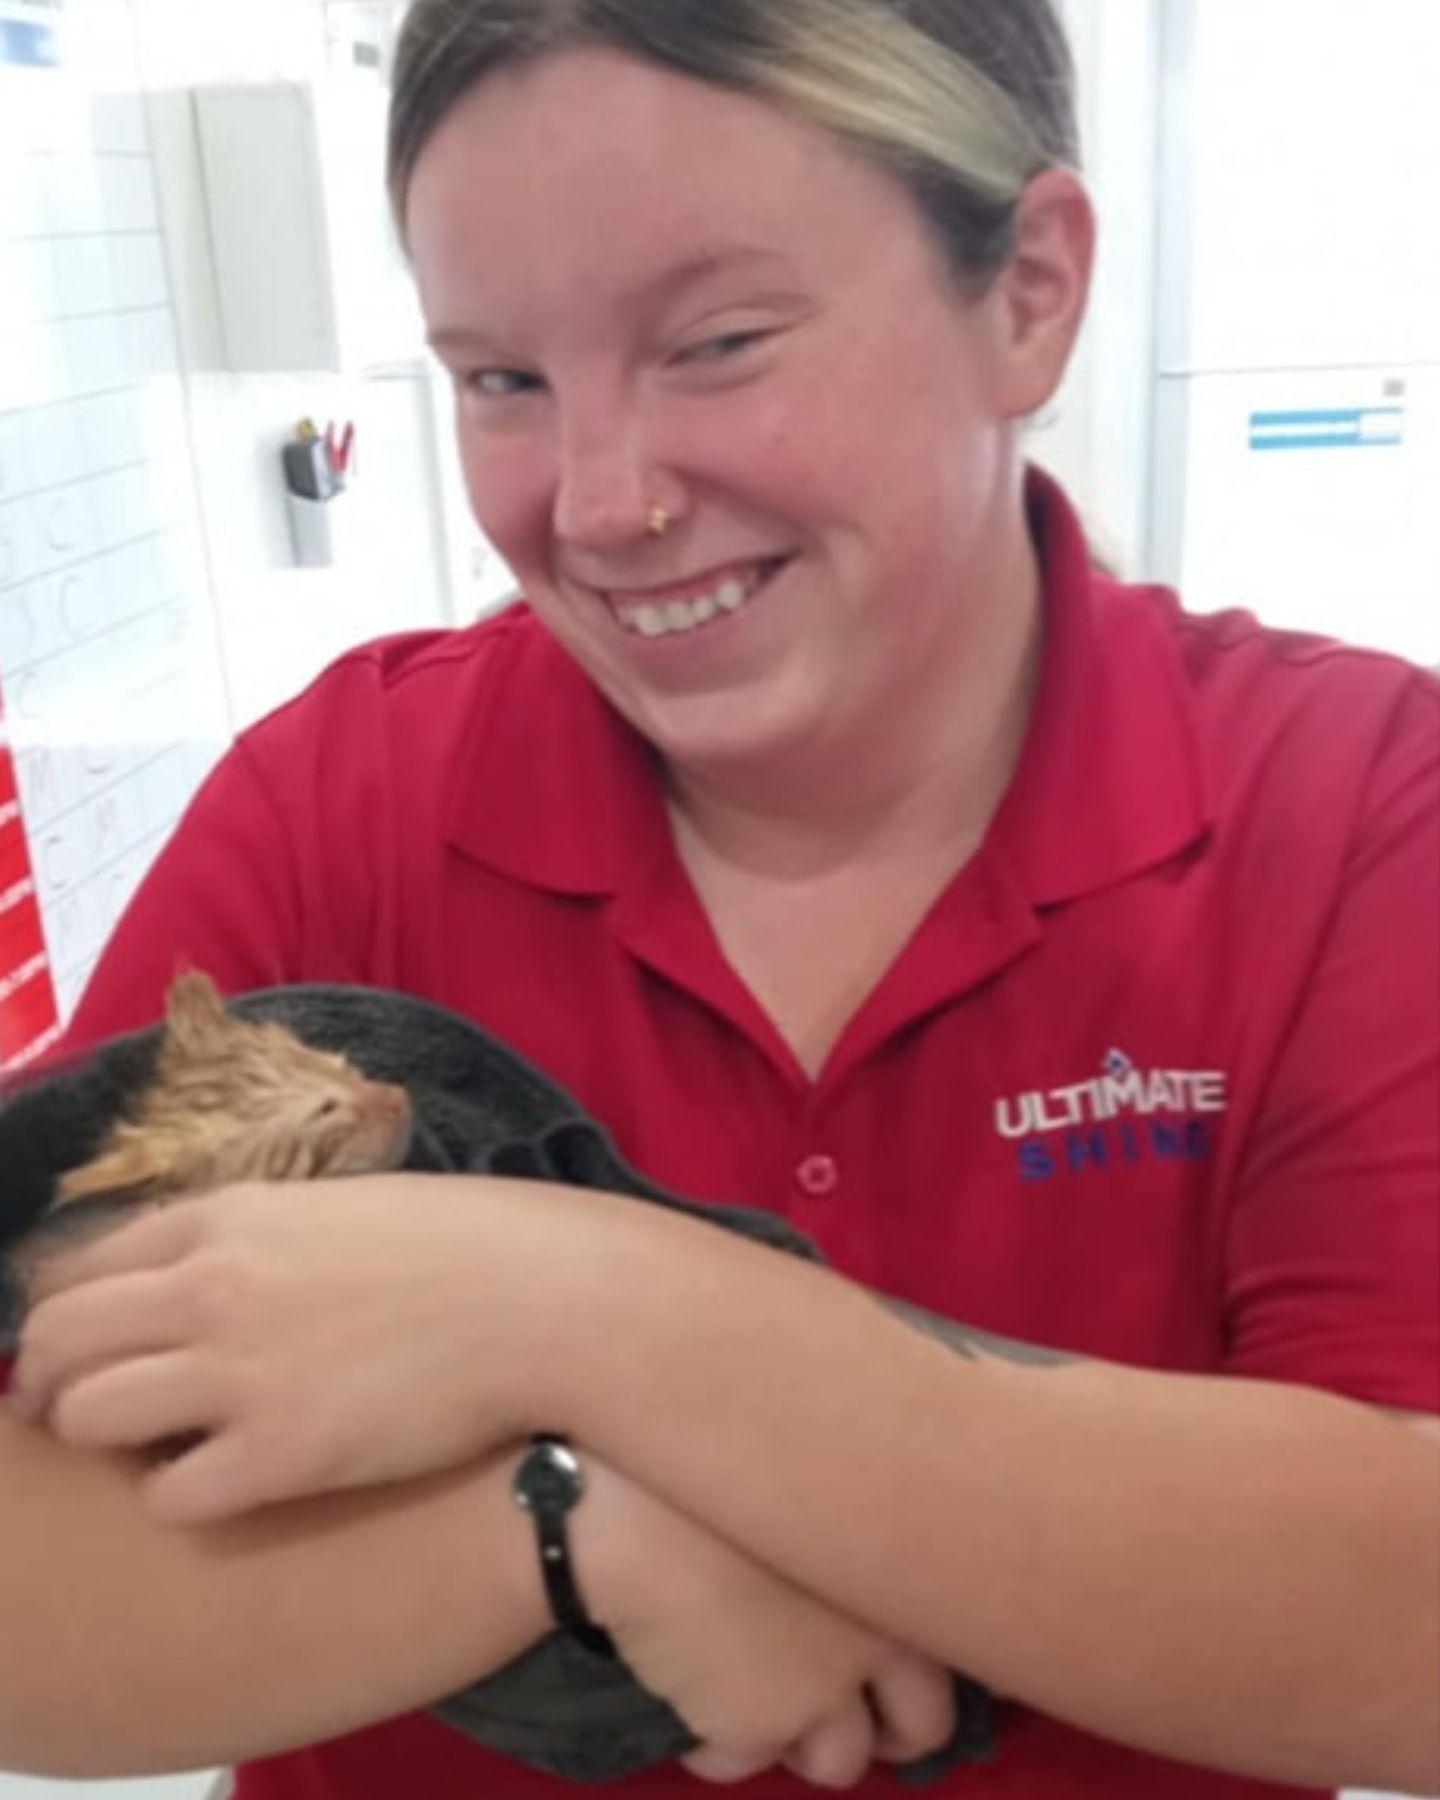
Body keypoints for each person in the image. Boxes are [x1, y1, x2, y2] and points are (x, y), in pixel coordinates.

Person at [2, 1, 1436, 1796]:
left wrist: (595, 1306)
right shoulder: (343, 804)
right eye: (499, 379)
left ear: (1031, 291)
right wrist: (567, 1532)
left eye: (718, 343)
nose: (598, 505)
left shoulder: (1358, 802)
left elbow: (1406, 1632)